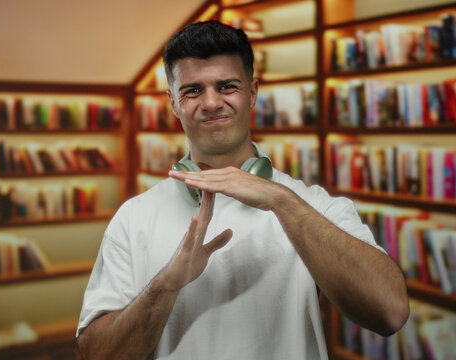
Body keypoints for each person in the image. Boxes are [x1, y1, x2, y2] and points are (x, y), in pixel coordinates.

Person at [77, 20, 409, 359]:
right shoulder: (134, 217)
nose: (210, 103)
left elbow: (391, 313)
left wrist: (280, 200)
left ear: (252, 92)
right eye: (192, 90)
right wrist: (166, 285)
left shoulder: (311, 204)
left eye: (227, 86)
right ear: (173, 103)